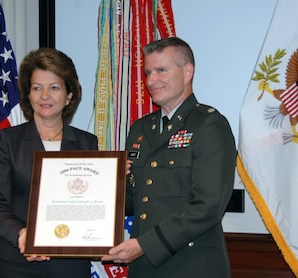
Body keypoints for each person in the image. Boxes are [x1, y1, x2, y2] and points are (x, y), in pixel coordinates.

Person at [101, 37, 236, 277]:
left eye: (161, 70)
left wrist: (145, 245)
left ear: (187, 72)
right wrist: (113, 184)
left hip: (191, 266)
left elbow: (208, 206)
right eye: (148, 72)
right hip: (145, 268)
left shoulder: (209, 124)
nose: (151, 81)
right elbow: (137, 200)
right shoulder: (140, 129)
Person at [0, 48, 98, 277]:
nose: (45, 95)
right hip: (18, 262)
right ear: (28, 95)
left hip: (70, 264)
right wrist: (23, 233)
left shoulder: (87, 143)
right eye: (37, 88)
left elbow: (92, 202)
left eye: (54, 87)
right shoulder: (8, 140)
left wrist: (114, 180)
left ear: (69, 95)